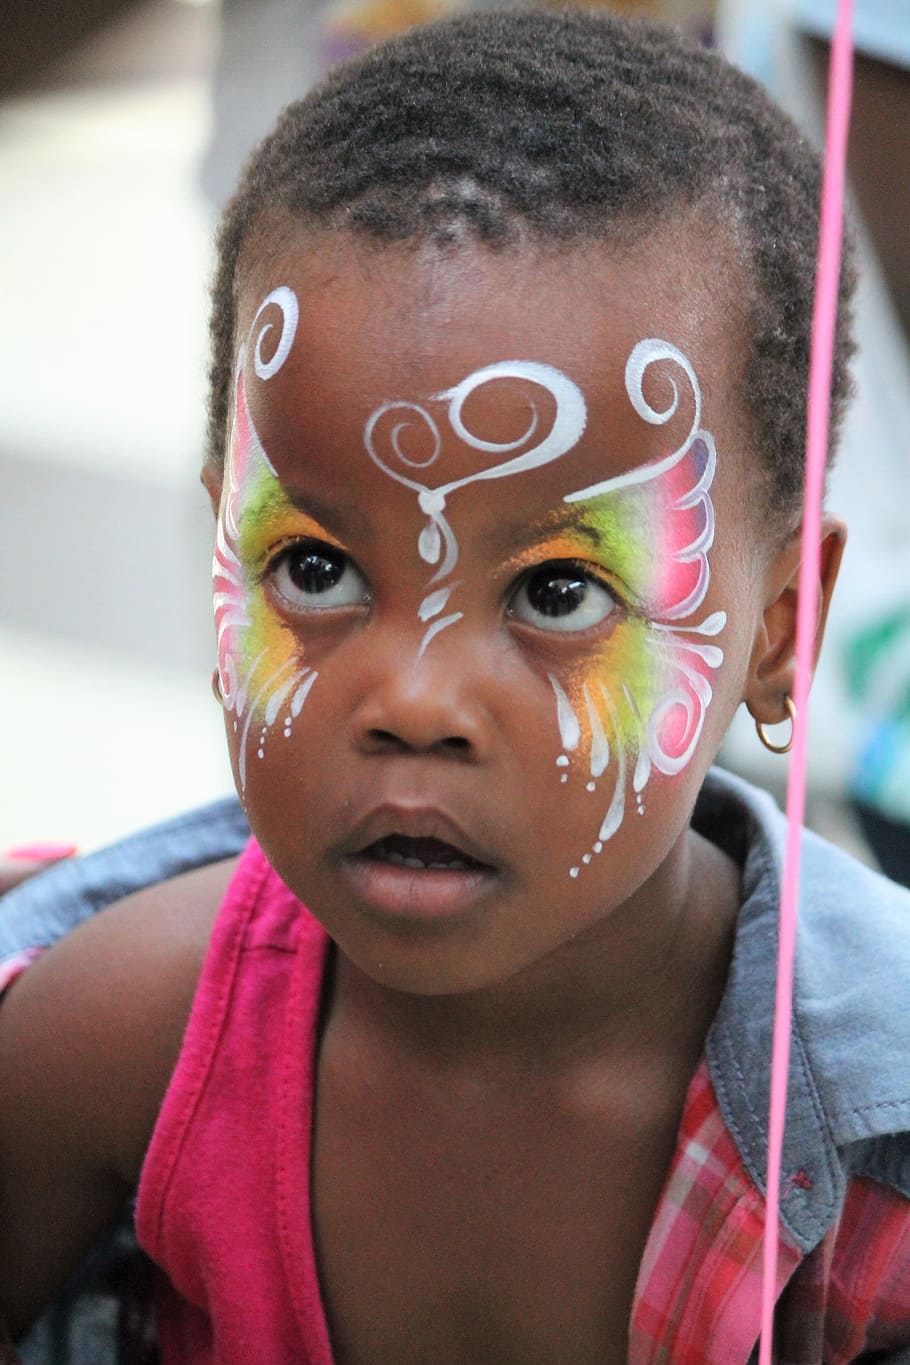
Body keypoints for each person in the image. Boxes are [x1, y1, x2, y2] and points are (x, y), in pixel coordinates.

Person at [1, 10, 909, 1362]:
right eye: (312, 568)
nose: (412, 698)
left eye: (556, 592)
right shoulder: (111, 1034)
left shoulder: (874, 1149)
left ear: (780, 626)